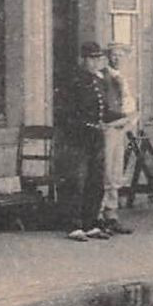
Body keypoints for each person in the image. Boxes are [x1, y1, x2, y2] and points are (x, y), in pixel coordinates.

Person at [57, 42, 111, 242]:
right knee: (76, 181)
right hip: (77, 137)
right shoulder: (73, 81)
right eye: (92, 58)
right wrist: (84, 126)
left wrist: (121, 117)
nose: (96, 62)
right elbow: (64, 113)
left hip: (96, 137)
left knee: (95, 181)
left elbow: (102, 110)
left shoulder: (99, 81)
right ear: (82, 60)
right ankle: (73, 224)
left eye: (98, 58)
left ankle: (91, 223)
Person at [97, 43, 136, 235]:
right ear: (108, 57)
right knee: (106, 170)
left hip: (121, 127)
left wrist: (128, 117)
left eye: (121, 55)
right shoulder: (103, 77)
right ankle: (100, 214)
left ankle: (112, 215)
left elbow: (128, 102)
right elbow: (103, 104)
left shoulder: (123, 77)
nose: (117, 58)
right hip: (109, 128)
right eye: (114, 55)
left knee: (116, 170)